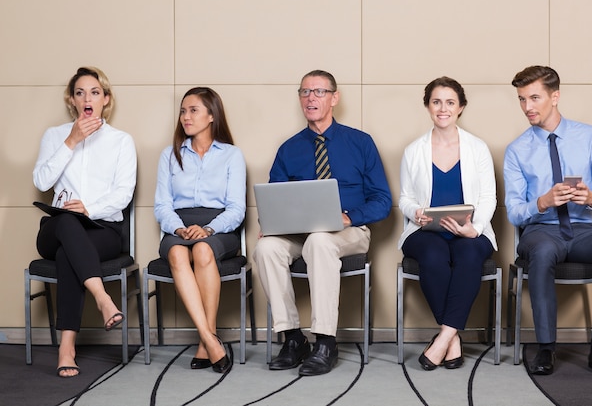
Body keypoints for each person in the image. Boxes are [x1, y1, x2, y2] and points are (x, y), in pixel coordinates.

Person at [253, 69, 391, 376]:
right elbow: (273, 198)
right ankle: (292, 338)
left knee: (320, 240)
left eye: (318, 92)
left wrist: (348, 217)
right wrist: (271, 222)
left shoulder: (360, 142)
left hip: (349, 231)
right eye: (304, 92)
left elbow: (382, 200)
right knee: (266, 248)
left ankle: (326, 341)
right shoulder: (289, 148)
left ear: (334, 98)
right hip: (298, 233)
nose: (310, 98)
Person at [504, 65, 592, 376]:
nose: (527, 107)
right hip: (541, 232)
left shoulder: (591, 137)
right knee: (543, 253)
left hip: (584, 229)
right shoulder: (517, 150)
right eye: (521, 99)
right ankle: (546, 348)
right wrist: (541, 202)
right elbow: (514, 211)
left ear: (555, 96)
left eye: (534, 97)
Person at [33, 67, 137, 378]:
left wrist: (89, 208)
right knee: (67, 223)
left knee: (70, 252)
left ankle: (67, 348)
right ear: (72, 100)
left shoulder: (121, 141)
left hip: (102, 231)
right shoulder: (55, 136)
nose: (87, 98)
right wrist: (71, 141)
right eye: (80, 93)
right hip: (56, 228)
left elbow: (123, 194)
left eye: (94, 92)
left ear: (106, 99)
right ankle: (103, 298)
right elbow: (41, 180)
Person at [398, 77, 497, 371]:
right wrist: (415, 212)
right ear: (428, 106)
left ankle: (442, 339)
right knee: (432, 255)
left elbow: (489, 197)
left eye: (450, 102)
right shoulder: (413, 150)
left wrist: (475, 228)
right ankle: (452, 338)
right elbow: (404, 198)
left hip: (471, 230)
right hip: (425, 232)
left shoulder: (477, 148)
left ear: (461, 107)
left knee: (468, 255)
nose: (443, 108)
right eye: (436, 102)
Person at [154, 87, 246, 374]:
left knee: (204, 250)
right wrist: (180, 229)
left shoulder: (231, 155)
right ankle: (209, 338)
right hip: (178, 228)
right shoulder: (169, 155)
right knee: (179, 256)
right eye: (183, 111)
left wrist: (208, 228)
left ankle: (207, 341)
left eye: (193, 110)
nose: (185, 117)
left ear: (211, 116)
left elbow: (236, 209)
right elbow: (161, 206)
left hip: (219, 228)